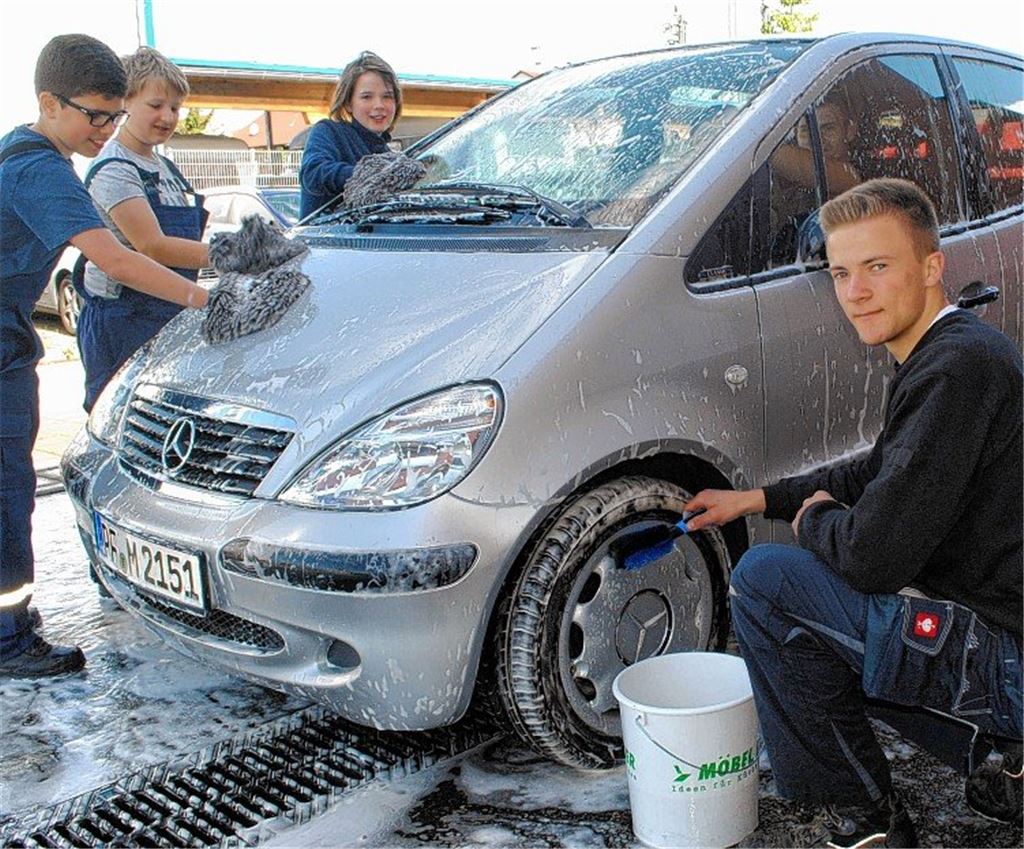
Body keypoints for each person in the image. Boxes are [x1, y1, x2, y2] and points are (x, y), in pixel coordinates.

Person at [683, 178, 1022, 846]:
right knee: (817, 626)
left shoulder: (957, 371)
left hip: (1011, 659)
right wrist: (758, 498)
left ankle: (867, 816)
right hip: (1003, 640)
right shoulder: (953, 353)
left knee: (768, 585)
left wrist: (811, 521)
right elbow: (878, 470)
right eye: (841, 272)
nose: (854, 292)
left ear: (931, 267)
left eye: (877, 267)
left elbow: (873, 558)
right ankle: (1001, 752)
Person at [0, 34, 208, 679]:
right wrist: (210, 302)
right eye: (96, 114)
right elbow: (120, 256)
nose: (106, 128)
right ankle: (7, 638)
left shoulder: (25, 153)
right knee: (9, 489)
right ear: (49, 103)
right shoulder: (36, 167)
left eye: (113, 115)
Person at [77, 46, 210, 412]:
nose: (167, 116)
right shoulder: (115, 168)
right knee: (118, 417)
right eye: (156, 105)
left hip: (168, 311)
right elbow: (153, 246)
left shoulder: (166, 168)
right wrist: (235, 253)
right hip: (122, 320)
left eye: (175, 108)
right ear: (125, 103)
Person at [299, 51, 402, 218]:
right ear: (348, 103)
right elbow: (312, 173)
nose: (379, 105)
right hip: (325, 242)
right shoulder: (328, 132)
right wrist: (372, 175)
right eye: (367, 97)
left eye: (387, 97)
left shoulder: (389, 156)